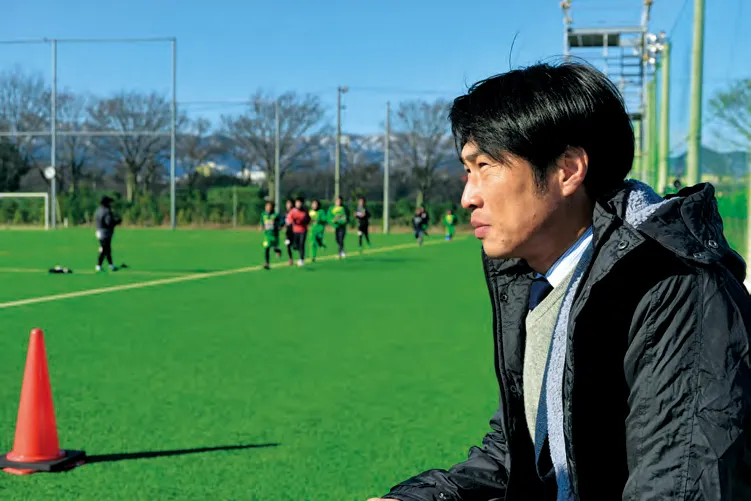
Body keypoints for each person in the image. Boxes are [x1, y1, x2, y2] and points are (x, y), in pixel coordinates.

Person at [369, 62, 751, 501]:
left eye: (485, 166)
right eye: (467, 171)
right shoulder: (543, 283)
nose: (467, 197)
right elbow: (520, 455)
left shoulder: (674, 290)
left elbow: (680, 485)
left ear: (567, 170)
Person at [94, 195, 121, 272]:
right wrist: (117, 222)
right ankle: (98, 265)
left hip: (99, 231)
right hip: (105, 232)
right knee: (104, 249)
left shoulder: (98, 210)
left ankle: (111, 265)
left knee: (107, 249)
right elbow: (109, 222)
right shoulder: (107, 211)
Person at [286, 196, 311, 267]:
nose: (298, 204)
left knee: (301, 244)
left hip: (303, 231)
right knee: (295, 246)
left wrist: (304, 221)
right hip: (295, 231)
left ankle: (301, 259)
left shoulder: (305, 211)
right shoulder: (293, 211)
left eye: (300, 203)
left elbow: (308, 219)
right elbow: (289, 219)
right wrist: (293, 222)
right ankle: (296, 249)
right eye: (297, 203)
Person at [260, 200, 283, 270]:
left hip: (274, 235)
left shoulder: (276, 215)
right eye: (266, 206)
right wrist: (261, 226)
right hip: (267, 235)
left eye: (269, 207)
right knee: (266, 248)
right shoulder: (263, 214)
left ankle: (278, 250)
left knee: (275, 248)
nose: (268, 208)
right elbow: (262, 221)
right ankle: (267, 263)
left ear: (272, 207)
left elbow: (281, 222)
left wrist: (277, 225)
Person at [282, 199, 295, 265]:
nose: (288, 205)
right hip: (288, 232)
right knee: (288, 245)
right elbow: (284, 222)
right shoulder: (285, 213)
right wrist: (283, 226)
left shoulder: (295, 212)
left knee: (295, 246)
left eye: (289, 203)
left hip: (295, 231)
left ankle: (301, 258)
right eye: (287, 204)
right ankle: (290, 259)